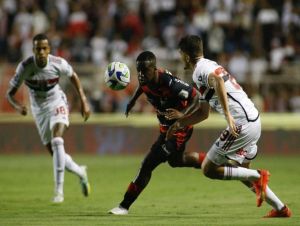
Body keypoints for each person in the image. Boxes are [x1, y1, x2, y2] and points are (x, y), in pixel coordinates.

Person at [166, 35, 291, 218]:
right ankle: (282, 209)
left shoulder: (200, 70)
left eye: (180, 54)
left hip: (241, 123)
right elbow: (203, 112)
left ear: (185, 55)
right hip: (253, 119)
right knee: (242, 172)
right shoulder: (208, 64)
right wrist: (180, 122)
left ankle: (259, 175)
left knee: (209, 169)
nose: (179, 57)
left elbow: (217, 81)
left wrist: (228, 115)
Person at [108, 51, 206, 215]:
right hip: (165, 129)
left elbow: (195, 96)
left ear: (154, 69)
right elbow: (143, 87)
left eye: (144, 71)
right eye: (138, 71)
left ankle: (124, 206)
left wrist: (182, 115)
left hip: (179, 130)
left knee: (147, 164)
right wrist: (132, 101)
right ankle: (211, 162)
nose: (140, 75)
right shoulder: (145, 79)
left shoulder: (170, 83)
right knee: (176, 161)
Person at [6, 33, 91, 203]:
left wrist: (83, 100)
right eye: (38, 49)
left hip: (57, 102)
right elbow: (10, 94)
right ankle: (80, 172)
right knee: (55, 153)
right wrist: (17, 106)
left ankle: (59, 192)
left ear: (49, 49)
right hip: (39, 111)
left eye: (44, 48)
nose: (42, 52)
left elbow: (73, 75)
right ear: (33, 50)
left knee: (57, 140)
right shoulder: (25, 67)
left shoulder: (58, 63)